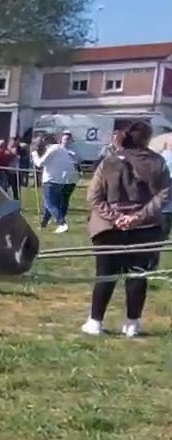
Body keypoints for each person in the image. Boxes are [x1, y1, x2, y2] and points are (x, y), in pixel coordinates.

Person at [81, 121, 170, 338]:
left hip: (108, 228)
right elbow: (164, 195)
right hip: (146, 228)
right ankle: (132, 324)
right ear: (148, 138)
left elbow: (94, 196)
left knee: (105, 275)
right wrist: (137, 217)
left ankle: (95, 322)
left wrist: (115, 217)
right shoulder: (158, 162)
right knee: (138, 275)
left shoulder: (108, 162)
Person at [31, 131, 79, 233]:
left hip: (51, 180)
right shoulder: (62, 149)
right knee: (51, 204)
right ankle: (44, 224)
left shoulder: (53, 149)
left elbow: (39, 163)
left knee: (50, 204)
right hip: (61, 180)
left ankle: (62, 223)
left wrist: (34, 154)